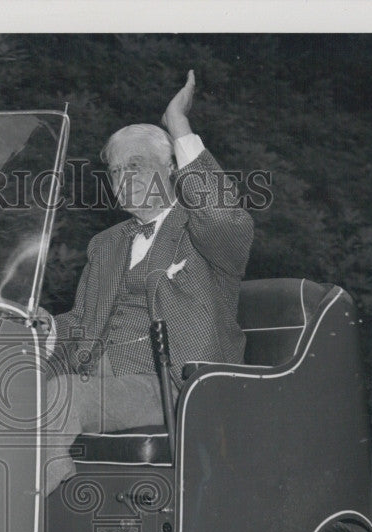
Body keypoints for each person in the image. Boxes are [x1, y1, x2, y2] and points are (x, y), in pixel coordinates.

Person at [40, 69, 254, 493]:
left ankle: (45, 516)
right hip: (97, 374)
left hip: (175, 387)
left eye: (135, 167)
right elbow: (85, 321)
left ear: (171, 168)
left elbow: (225, 218)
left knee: (60, 398)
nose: (122, 181)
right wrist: (45, 329)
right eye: (116, 172)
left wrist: (179, 126)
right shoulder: (106, 243)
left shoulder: (202, 231)